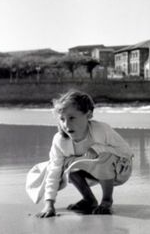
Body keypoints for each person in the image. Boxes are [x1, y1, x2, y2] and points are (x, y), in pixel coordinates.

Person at [25, 89, 133, 217]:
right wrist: (49, 203)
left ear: (88, 115)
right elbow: (54, 171)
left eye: (72, 118)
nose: (66, 124)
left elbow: (127, 152)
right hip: (91, 170)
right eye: (62, 119)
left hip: (119, 170)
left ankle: (106, 200)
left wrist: (98, 148)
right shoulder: (60, 141)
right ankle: (89, 200)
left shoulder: (101, 130)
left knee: (104, 156)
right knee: (65, 164)